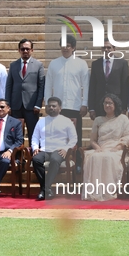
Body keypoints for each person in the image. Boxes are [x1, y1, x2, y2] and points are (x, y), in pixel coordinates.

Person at [45, 34, 89, 172]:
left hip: (74, 106)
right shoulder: (54, 63)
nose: (65, 48)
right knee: (58, 135)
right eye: (63, 45)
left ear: (73, 47)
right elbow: (48, 85)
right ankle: (57, 162)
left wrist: (85, 103)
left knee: (75, 136)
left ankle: (77, 163)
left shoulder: (81, 63)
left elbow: (86, 85)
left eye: (68, 46)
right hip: (57, 108)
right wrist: (47, 103)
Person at [82, 94, 129, 201]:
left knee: (108, 157)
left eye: (110, 103)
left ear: (115, 105)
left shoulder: (122, 119)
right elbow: (92, 140)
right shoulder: (98, 120)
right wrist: (97, 148)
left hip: (117, 149)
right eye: (105, 103)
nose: (107, 105)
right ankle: (95, 192)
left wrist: (121, 145)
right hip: (101, 148)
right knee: (94, 157)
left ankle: (108, 191)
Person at [31, 97, 77, 200]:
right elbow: (35, 137)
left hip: (59, 149)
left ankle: (44, 189)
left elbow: (74, 139)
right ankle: (47, 189)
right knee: (36, 159)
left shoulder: (66, 121)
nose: (51, 108)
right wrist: (35, 148)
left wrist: (66, 148)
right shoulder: (41, 121)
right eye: (49, 106)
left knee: (55, 159)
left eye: (54, 106)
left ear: (60, 108)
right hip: (44, 149)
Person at [5, 38, 45, 143]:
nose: (25, 51)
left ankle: (34, 156)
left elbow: (41, 86)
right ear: (19, 50)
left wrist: (38, 104)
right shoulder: (13, 65)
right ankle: (17, 157)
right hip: (15, 105)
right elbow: (9, 86)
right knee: (15, 134)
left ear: (32, 50)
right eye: (23, 49)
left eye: (27, 49)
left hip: (31, 106)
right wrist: (8, 105)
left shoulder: (38, 65)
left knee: (34, 133)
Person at [88, 39, 129, 120]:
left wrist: (124, 107)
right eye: (103, 47)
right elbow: (92, 86)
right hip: (100, 105)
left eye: (108, 47)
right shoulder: (96, 64)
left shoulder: (122, 63)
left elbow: (125, 86)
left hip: (117, 105)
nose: (106, 50)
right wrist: (91, 108)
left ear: (114, 49)